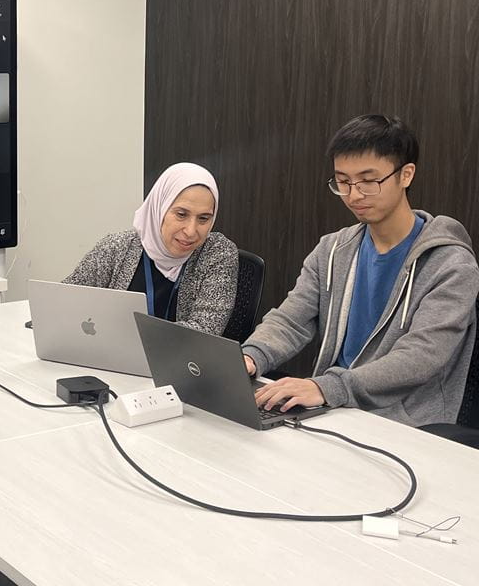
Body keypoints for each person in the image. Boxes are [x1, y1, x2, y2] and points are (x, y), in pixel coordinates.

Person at [243, 115, 479, 427]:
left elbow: (421, 357)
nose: (354, 195)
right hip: (332, 410)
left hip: (407, 422)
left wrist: (328, 387)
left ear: (406, 175)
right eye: (343, 181)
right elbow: (291, 320)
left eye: (369, 181)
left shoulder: (450, 263)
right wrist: (251, 357)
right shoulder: (332, 251)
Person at [64, 162, 238, 336]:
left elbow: (206, 332)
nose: (191, 231)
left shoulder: (218, 253)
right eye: (181, 214)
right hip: (111, 358)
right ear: (159, 207)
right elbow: (64, 302)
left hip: (180, 361)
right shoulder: (117, 248)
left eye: (203, 218)